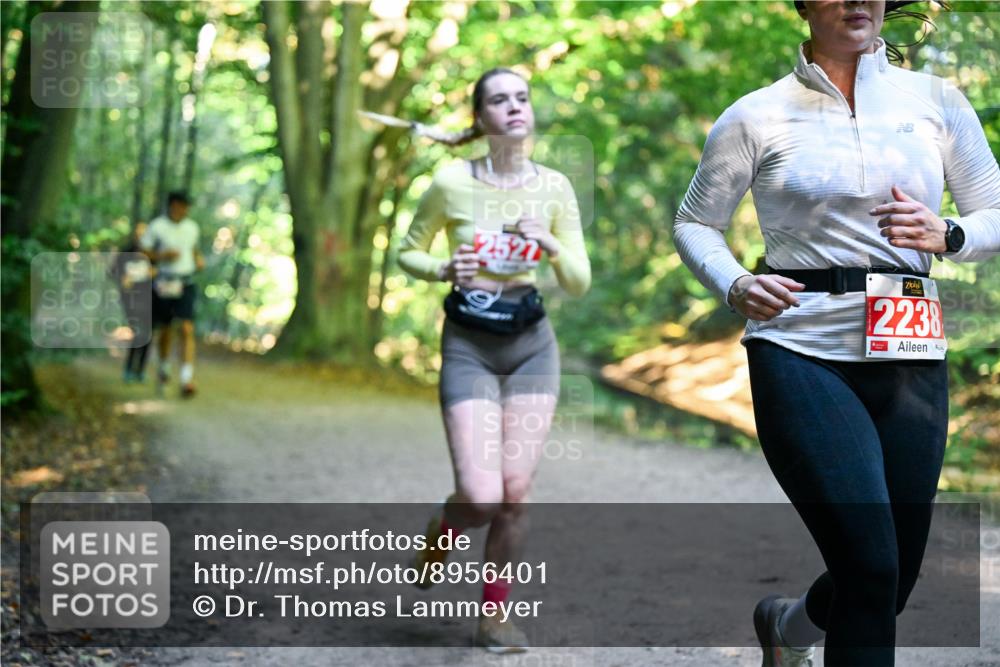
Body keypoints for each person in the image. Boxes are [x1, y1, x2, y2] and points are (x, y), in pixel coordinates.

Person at [673, 1, 999, 665]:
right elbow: (694, 222)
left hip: (910, 347)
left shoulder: (936, 100)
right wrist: (734, 281)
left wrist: (951, 233)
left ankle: (788, 626)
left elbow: (992, 208)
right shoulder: (756, 114)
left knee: (894, 577)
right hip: (799, 344)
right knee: (870, 564)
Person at [395, 68, 591, 653]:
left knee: (513, 491)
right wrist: (440, 269)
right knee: (479, 496)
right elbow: (409, 250)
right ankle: (445, 525)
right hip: (469, 346)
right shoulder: (450, 183)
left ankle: (494, 617)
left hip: (531, 346)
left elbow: (578, 282)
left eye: (522, 98)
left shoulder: (554, 187)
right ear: (479, 119)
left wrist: (551, 244)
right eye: (499, 100)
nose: (513, 108)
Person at [141, 191, 205, 398]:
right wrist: (162, 256)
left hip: (186, 281)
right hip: (165, 280)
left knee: (187, 328)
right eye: (178, 206)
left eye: (185, 207)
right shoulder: (157, 226)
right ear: (170, 205)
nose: (181, 210)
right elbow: (143, 252)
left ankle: (187, 378)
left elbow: (193, 249)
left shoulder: (192, 227)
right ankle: (164, 367)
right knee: (166, 328)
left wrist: (198, 259)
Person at [110, 222, 154, 383]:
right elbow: (113, 272)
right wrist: (123, 279)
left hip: (150, 298)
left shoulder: (153, 254)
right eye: (138, 233)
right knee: (137, 332)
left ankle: (139, 370)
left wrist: (153, 273)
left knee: (148, 334)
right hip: (131, 299)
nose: (141, 237)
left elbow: (161, 272)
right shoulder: (125, 252)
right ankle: (129, 369)